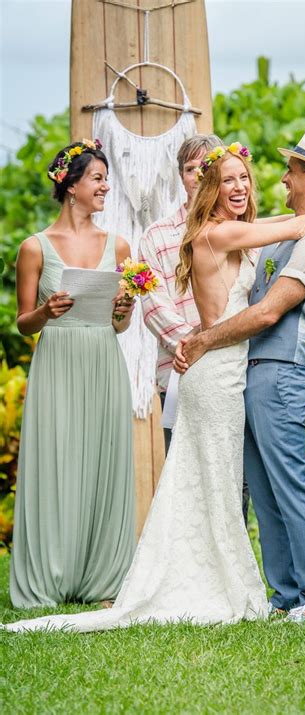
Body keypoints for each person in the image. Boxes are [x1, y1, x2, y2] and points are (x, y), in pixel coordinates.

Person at [2, 139, 305, 633]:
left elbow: (283, 230)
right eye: (228, 179)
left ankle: (250, 585)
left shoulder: (225, 232)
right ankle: (229, 585)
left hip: (225, 367)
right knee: (218, 482)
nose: (241, 186)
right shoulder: (218, 235)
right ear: (210, 188)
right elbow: (294, 227)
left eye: (246, 178)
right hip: (217, 370)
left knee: (215, 481)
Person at [175, 131, 305, 623]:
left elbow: (266, 314)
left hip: (279, 375)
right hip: (247, 374)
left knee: (289, 487)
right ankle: (285, 597)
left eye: (291, 169)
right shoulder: (297, 230)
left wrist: (204, 339)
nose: (281, 177)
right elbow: (278, 225)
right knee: (263, 492)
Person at [9, 140, 136, 609]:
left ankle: (103, 579)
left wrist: (124, 308)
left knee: (103, 460)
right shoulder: (34, 247)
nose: (106, 186)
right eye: (97, 178)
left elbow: (119, 323)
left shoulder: (118, 246)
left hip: (103, 358)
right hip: (58, 360)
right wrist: (47, 309)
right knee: (58, 461)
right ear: (71, 186)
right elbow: (24, 324)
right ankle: (51, 575)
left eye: (105, 178)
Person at [139, 134, 224, 454]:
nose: (199, 176)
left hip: (231, 368)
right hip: (178, 370)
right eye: (191, 169)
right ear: (180, 176)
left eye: (207, 166)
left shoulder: (242, 227)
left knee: (234, 479)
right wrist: (191, 345)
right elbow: (153, 304)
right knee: (181, 476)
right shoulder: (156, 235)